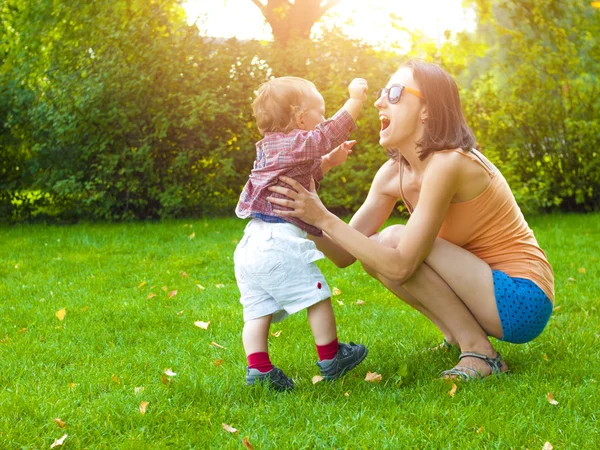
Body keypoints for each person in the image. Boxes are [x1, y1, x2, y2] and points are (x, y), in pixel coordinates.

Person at [266, 60, 555, 380]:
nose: (378, 101)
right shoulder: (393, 172)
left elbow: (401, 265)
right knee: (373, 251)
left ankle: (480, 353)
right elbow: (346, 253)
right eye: (380, 93)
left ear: (427, 109)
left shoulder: (449, 163)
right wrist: (298, 212)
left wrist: (322, 216)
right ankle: (457, 336)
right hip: (480, 289)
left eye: (393, 92)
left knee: (391, 242)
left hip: (522, 299)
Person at [234, 76, 369, 391]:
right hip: (281, 243)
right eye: (319, 113)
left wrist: (330, 162)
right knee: (317, 297)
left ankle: (259, 369)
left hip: (251, 244)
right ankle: (331, 356)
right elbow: (329, 132)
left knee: (257, 310)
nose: (323, 120)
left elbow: (300, 173)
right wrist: (355, 100)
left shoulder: (271, 147)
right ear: (298, 116)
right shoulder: (296, 141)